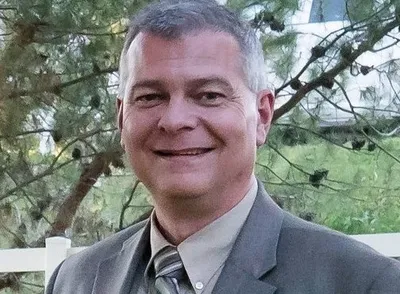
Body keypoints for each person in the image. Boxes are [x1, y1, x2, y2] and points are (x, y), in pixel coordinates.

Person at [46, 0, 400, 293]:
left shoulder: (363, 282)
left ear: (262, 115)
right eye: (151, 96)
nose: (175, 120)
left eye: (209, 95)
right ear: (122, 118)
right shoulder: (75, 281)